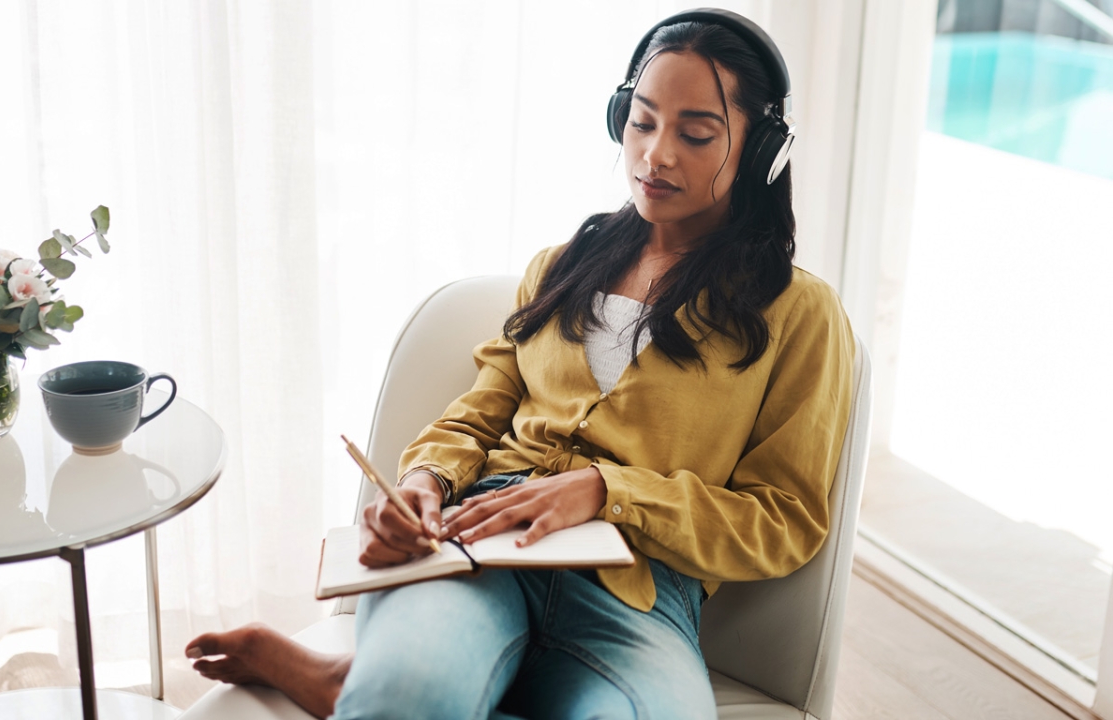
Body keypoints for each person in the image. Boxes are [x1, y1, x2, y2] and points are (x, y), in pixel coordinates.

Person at [185, 10, 854, 720]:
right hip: (482, 546)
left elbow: (784, 520)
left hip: (639, 594)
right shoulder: (559, 268)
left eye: (695, 134)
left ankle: (345, 682)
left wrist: (607, 490)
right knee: (407, 699)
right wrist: (420, 483)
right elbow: (479, 410)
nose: (654, 155)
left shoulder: (799, 313)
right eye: (642, 121)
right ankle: (382, 684)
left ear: (759, 153)